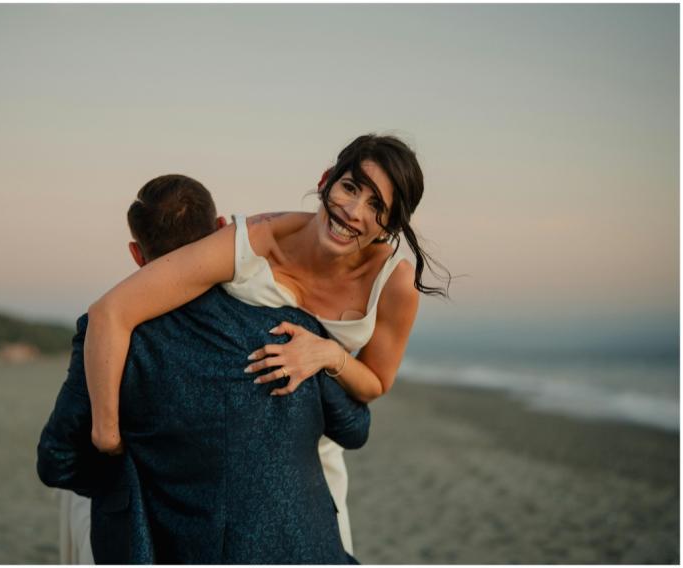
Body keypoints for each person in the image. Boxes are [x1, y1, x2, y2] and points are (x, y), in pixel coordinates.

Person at [85, 134, 451, 553]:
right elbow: (110, 313)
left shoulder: (395, 283)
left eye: (377, 207)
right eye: (350, 187)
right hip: (214, 451)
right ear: (327, 179)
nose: (353, 212)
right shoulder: (252, 239)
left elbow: (375, 384)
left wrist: (328, 353)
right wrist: (106, 433)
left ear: (393, 224)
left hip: (310, 461)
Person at [38, 174, 369, 563]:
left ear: (136, 255)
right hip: (302, 550)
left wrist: (139, 469)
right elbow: (354, 429)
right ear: (220, 230)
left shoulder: (109, 339)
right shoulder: (290, 326)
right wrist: (329, 354)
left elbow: (57, 462)